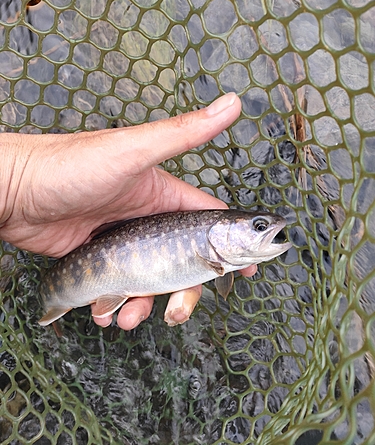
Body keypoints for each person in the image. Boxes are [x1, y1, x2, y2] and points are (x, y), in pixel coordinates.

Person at [0, 93, 257, 329]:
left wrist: (17, 186)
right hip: (61, 285)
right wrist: (17, 184)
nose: (264, 231)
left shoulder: (219, 260)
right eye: (259, 227)